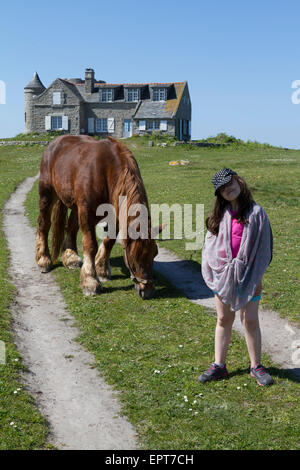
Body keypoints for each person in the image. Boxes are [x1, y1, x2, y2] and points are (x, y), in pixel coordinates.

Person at [199, 168, 274, 386]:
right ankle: (219, 366)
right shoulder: (219, 216)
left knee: (249, 320)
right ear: (219, 195)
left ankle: (256, 366)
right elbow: (210, 247)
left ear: (238, 180)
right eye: (222, 189)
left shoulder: (257, 213)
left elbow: (263, 249)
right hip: (223, 276)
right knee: (223, 319)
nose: (228, 190)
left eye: (229, 183)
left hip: (249, 276)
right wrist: (216, 270)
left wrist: (256, 276)